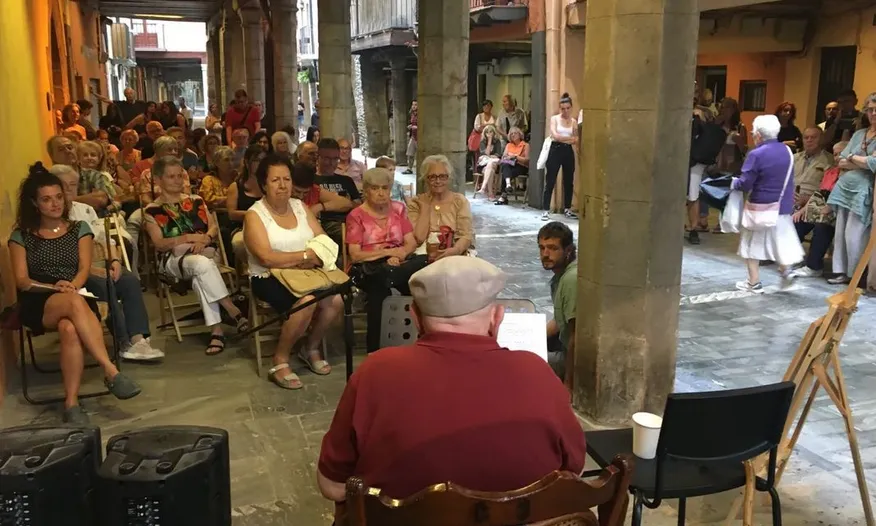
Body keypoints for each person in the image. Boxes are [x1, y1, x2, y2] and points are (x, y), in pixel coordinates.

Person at [316, 256, 587, 504]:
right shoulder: (536, 371)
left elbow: (332, 486)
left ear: (415, 317)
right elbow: (573, 468)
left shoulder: (375, 372)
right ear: (497, 316)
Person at [9, 163, 142, 423]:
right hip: (39, 298)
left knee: (70, 329)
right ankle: (111, 371)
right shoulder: (21, 235)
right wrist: (55, 287)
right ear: (35, 204)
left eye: (59, 197)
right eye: (46, 200)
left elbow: (83, 269)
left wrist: (71, 284)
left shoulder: (79, 229)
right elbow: (22, 281)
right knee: (71, 301)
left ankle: (71, 403)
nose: (55, 204)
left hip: (76, 293)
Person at [243, 154, 344, 389]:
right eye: (275, 180)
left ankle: (310, 347)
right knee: (306, 302)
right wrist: (305, 256)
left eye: (286, 179)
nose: (282, 185)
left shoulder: (300, 207)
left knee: (335, 300)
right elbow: (266, 257)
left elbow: (323, 240)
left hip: (306, 273)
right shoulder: (255, 215)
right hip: (268, 276)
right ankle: (280, 358)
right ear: (264, 184)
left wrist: (309, 258)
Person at [51, 164, 162, 362]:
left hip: (99, 263)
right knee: (104, 284)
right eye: (63, 185)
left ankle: (139, 340)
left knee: (128, 281)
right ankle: (124, 341)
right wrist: (90, 269)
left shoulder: (85, 210)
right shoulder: (51, 217)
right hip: (72, 274)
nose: (69, 190)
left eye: (73, 185)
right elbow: (59, 257)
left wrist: (116, 260)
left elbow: (104, 239)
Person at [143, 156, 249, 354]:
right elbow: (159, 244)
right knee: (202, 266)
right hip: (174, 261)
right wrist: (189, 238)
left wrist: (205, 240)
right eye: (171, 176)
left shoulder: (196, 200)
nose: (177, 180)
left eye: (179, 175)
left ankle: (217, 332)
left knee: (201, 271)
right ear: (158, 180)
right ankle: (232, 309)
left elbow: (213, 227)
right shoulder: (153, 209)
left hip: (206, 254)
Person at [346, 168, 425, 353]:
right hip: (368, 267)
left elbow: (411, 243)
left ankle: (415, 342)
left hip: (398, 265)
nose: (381, 193)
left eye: (385, 188)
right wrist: (387, 255)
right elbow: (355, 254)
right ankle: (375, 350)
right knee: (378, 289)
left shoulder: (398, 209)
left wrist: (400, 255)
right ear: (366, 190)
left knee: (420, 281)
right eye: (375, 188)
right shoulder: (356, 215)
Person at [732, 115, 804, 292]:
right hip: (782, 205)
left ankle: (753, 282)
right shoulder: (787, 151)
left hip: (760, 206)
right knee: (779, 240)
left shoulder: (756, 154)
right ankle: (786, 270)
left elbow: (746, 183)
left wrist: (734, 183)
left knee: (750, 243)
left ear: (757, 135)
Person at [825, 92, 876, 285]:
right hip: (844, 188)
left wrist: (854, 158)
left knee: (854, 235)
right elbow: (841, 160)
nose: (873, 114)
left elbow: (874, 164)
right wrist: (861, 161)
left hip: (864, 190)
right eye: (870, 110)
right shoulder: (859, 134)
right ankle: (840, 271)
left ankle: (856, 274)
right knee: (840, 232)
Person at [791, 141, 847, 279]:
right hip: (822, 208)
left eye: (841, 154)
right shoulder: (831, 172)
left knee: (822, 225)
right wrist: (803, 210)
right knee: (797, 220)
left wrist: (827, 209)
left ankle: (814, 266)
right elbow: (819, 194)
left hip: (840, 213)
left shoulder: (851, 176)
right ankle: (793, 258)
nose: (838, 157)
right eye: (835, 154)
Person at [408, 155, 474, 258]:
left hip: (455, 254)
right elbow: (418, 238)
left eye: (442, 176)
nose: (438, 181)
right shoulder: (416, 203)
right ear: (426, 178)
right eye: (433, 177)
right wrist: (425, 207)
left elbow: (466, 235)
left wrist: (455, 250)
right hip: (423, 256)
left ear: (448, 177)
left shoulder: (459, 201)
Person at [538, 222, 576, 385]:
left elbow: (576, 337)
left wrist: (569, 383)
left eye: (553, 248)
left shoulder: (570, 279)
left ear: (568, 250)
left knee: (520, 364)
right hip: (564, 346)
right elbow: (560, 321)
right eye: (542, 248)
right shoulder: (560, 277)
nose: (545, 254)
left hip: (571, 359)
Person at [47, 135, 116, 214]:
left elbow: (100, 200)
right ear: (52, 156)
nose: (67, 151)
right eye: (61, 149)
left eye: (70, 147)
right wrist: (87, 198)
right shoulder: (49, 180)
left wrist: (66, 201)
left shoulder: (93, 175)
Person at [543, 93, 578, 220]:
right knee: (551, 179)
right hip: (555, 150)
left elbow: (576, 140)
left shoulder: (573, 121)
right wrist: (569, 139)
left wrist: (569, 140)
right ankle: (546, 209)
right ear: (560, 108)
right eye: (563, 108)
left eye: (568, 108)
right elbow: (555, 136)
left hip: (568, 151)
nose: (566, 111)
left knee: (569, 180)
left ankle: (567, 208)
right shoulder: (555, 119)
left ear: (571, 107)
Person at [228, 146, 266, 265]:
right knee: (242, 243)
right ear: (246, 162)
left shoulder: (269, 185)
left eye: (263, 161)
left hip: (267, 227)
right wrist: (255, 215)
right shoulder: (236, 186)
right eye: (256, 160)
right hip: (242, 228)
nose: (260, 164)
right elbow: (232, 214)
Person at [792, 127, 833, 211]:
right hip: (789, 200)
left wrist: (808, 199)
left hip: (812, 206)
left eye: (813, 137)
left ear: (821, 140)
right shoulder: (793, 158)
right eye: (806, 137)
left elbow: (829, 192)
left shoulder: (830, 160)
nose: (809, 140)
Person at [495, 127, 530, 205]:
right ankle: (508, 186)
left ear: (520, 134)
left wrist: (515, 156)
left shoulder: (525, 145)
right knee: (505, 164)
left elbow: (527, 160)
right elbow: (504, 157)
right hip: (510, 164)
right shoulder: (508, 145)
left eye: (515, 133)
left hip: (521, 165)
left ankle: (504, 194)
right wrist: (508, 157)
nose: (513, 135)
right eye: (511, 134)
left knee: (505, 170)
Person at [473, 124, 503, 200]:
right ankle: (490, 194)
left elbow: (498, 154)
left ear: (494, 133)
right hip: (484, 165)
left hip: (494, 163)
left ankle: (483, 187)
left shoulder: (497, 142)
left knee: (491, 163)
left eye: (491, 132)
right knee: (491, 170)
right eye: (487, 132)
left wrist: (489, 156)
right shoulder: (482, 142)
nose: (489, 134)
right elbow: (485, 153)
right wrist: (489, 142)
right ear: (484, 133)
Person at [404, 100, 418, 174]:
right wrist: (411, 126)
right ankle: (409, 168)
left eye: (415, 105)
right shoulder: (412, 114)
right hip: (413, 136)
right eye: (413, 105)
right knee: (410, 153)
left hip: (419, 137)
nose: (414, 106)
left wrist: (415, 127)